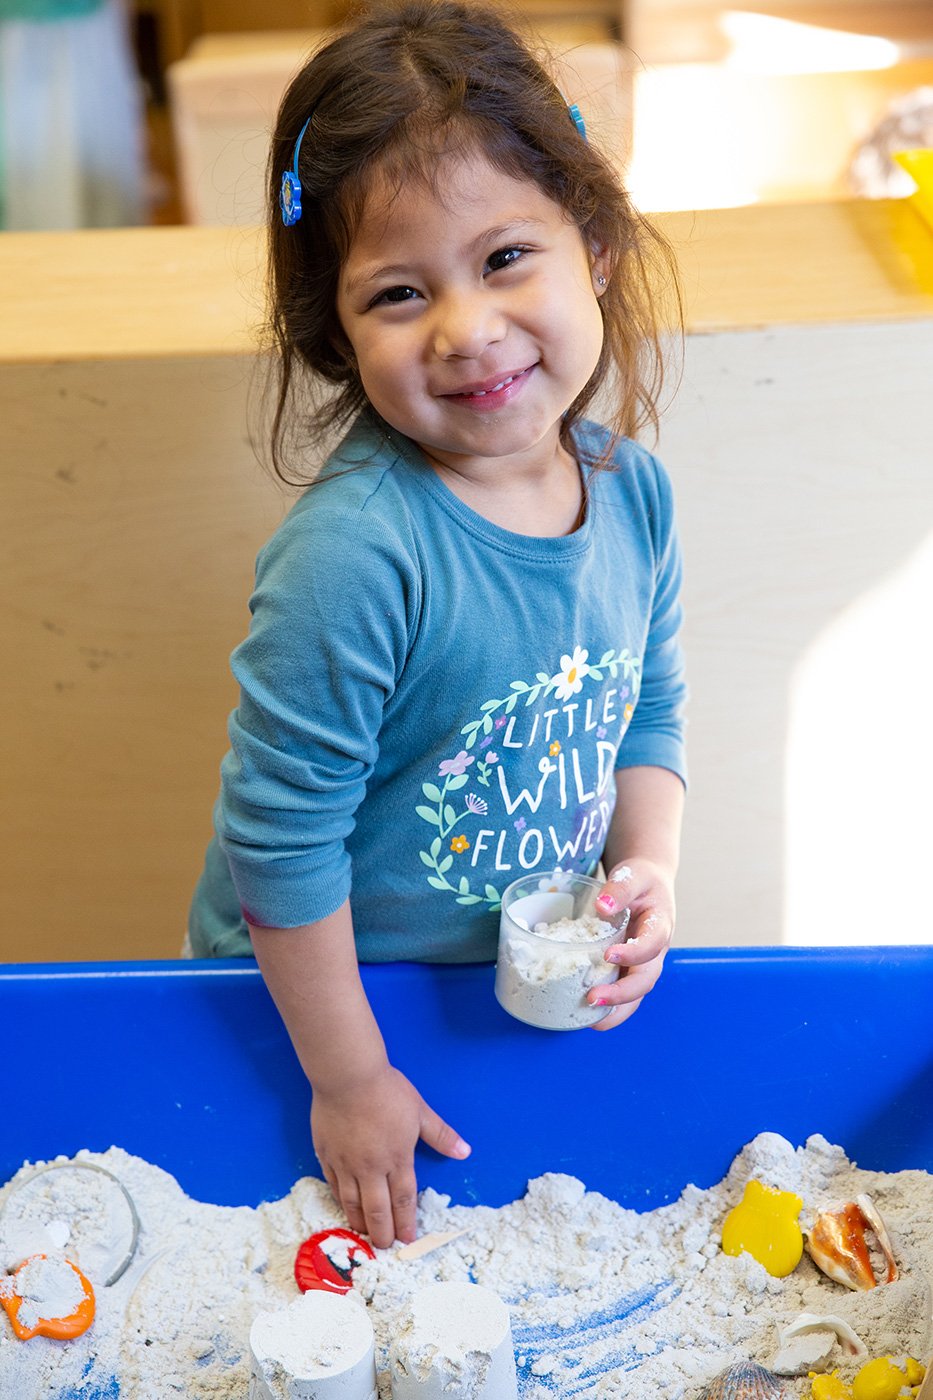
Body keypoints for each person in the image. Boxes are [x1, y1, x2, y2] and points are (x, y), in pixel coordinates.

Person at [189, 0, 687, 1250]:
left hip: (505, 990)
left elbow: (654, 707)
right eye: (401, 292)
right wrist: (348, 1075)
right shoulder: (357, 553)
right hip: (317, 1004)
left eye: (507, 256)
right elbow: (279, 841)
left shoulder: (637, 493)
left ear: (598, 245)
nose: (467, 330)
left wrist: (651, 868)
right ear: (341, 338)